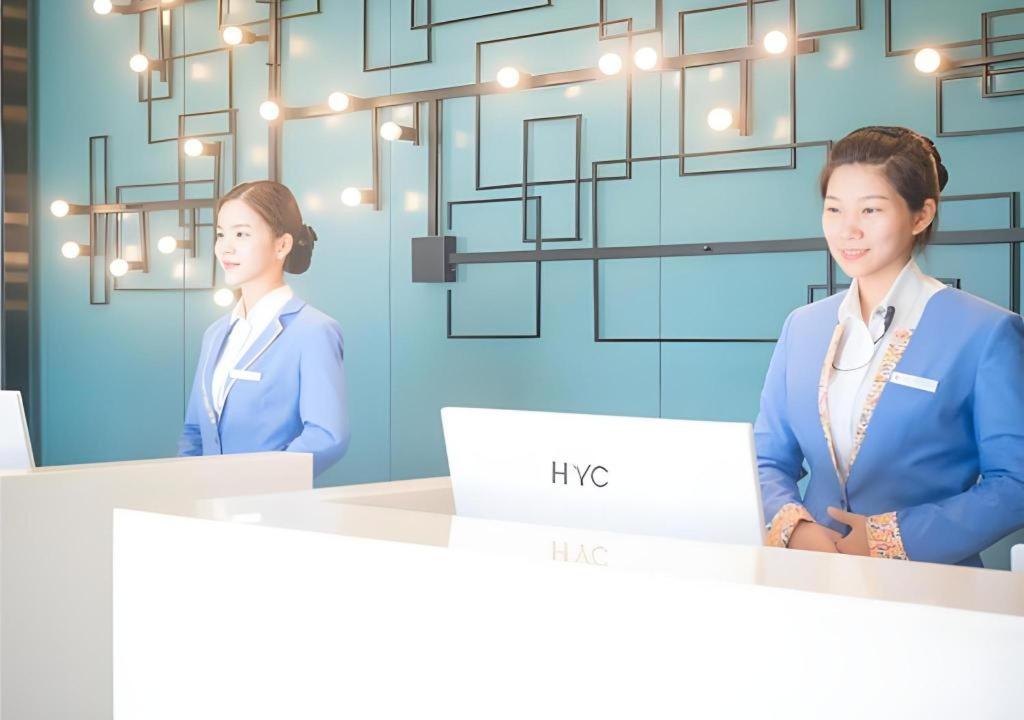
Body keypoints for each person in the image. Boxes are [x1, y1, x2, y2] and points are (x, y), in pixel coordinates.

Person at [755, 126, 1024, 566]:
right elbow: (767, 458)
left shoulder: (986, 331)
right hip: (810, 572)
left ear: (921, 216)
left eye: (871, 210)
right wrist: (796, 527)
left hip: (929, 581)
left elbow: (1015, 482)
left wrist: (892, 538)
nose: (848, 230)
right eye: (834, 209)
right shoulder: (802, 326)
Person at [178, 181, 350, 478]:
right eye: (220, 234)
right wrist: (187, 487)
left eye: (241, 234)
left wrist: (258, 483)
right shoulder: (215, 334)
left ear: (282, 245)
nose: (225, 247)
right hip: (207, 501)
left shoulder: (313, 331)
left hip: (272, 501)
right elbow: (195, 430)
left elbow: (327, 437)